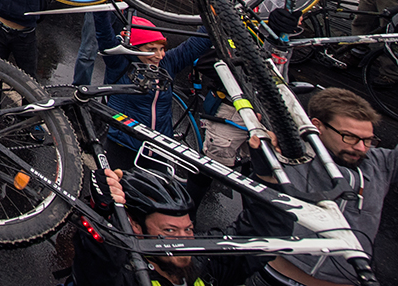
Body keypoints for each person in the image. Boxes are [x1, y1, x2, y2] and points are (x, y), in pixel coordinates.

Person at [255, 88, 397, 286]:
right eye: (350, 137)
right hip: (273, 277)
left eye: (367, 140)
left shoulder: (381, 163)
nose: (361, 148)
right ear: (317, 126)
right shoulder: (293, 153)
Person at [71, 168, 289, 286]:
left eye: (188, 229)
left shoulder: (205, 261)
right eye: (170, 231)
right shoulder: (126, 275)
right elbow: (97, 266)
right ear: (136, 226)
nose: (184, 240)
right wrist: (101, 214)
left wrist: (266, 177)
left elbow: (262, 234)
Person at [95, 16, 210, 170]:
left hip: (159, 148)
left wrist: (215, 15)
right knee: (114, 191)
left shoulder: (167, 63)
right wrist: (99, 2)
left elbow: (195, 45)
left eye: (162, 48)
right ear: (134, 49)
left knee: (155, 193)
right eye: (151, 49)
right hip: (123, 146)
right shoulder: (119, 63)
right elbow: (104, 34)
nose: (159, 55)